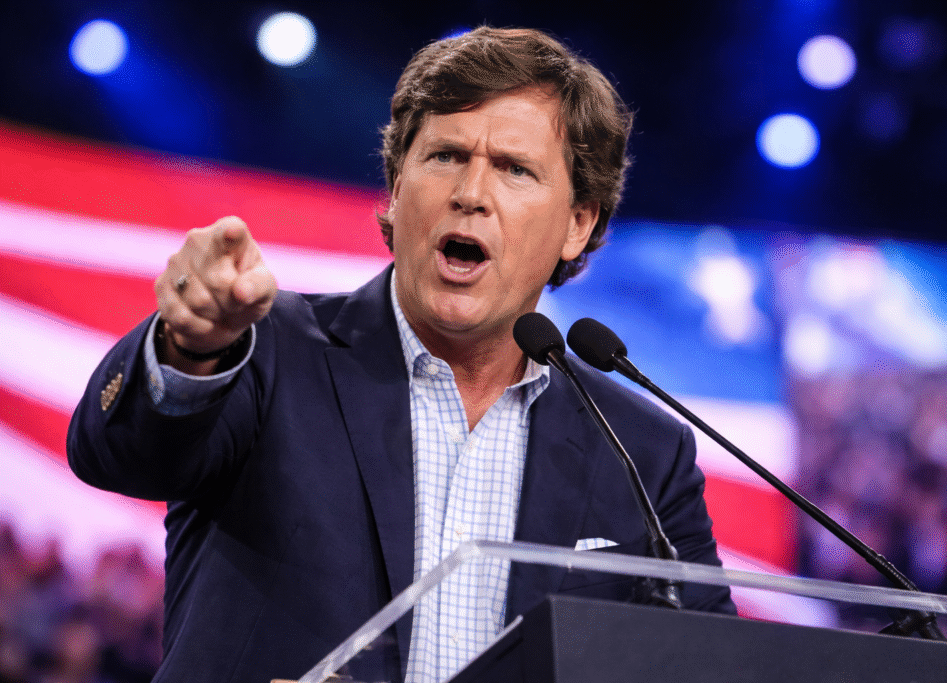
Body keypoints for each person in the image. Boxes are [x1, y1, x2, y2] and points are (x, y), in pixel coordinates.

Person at [67, 26, 734, 683]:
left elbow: (711, 666)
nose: (470, 193)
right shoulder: (269, 350)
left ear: (576, 223)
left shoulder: (642, 451)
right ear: (394, 189)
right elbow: (119, 452)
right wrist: (191, 345)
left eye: (514, 169)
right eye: (444, 156)